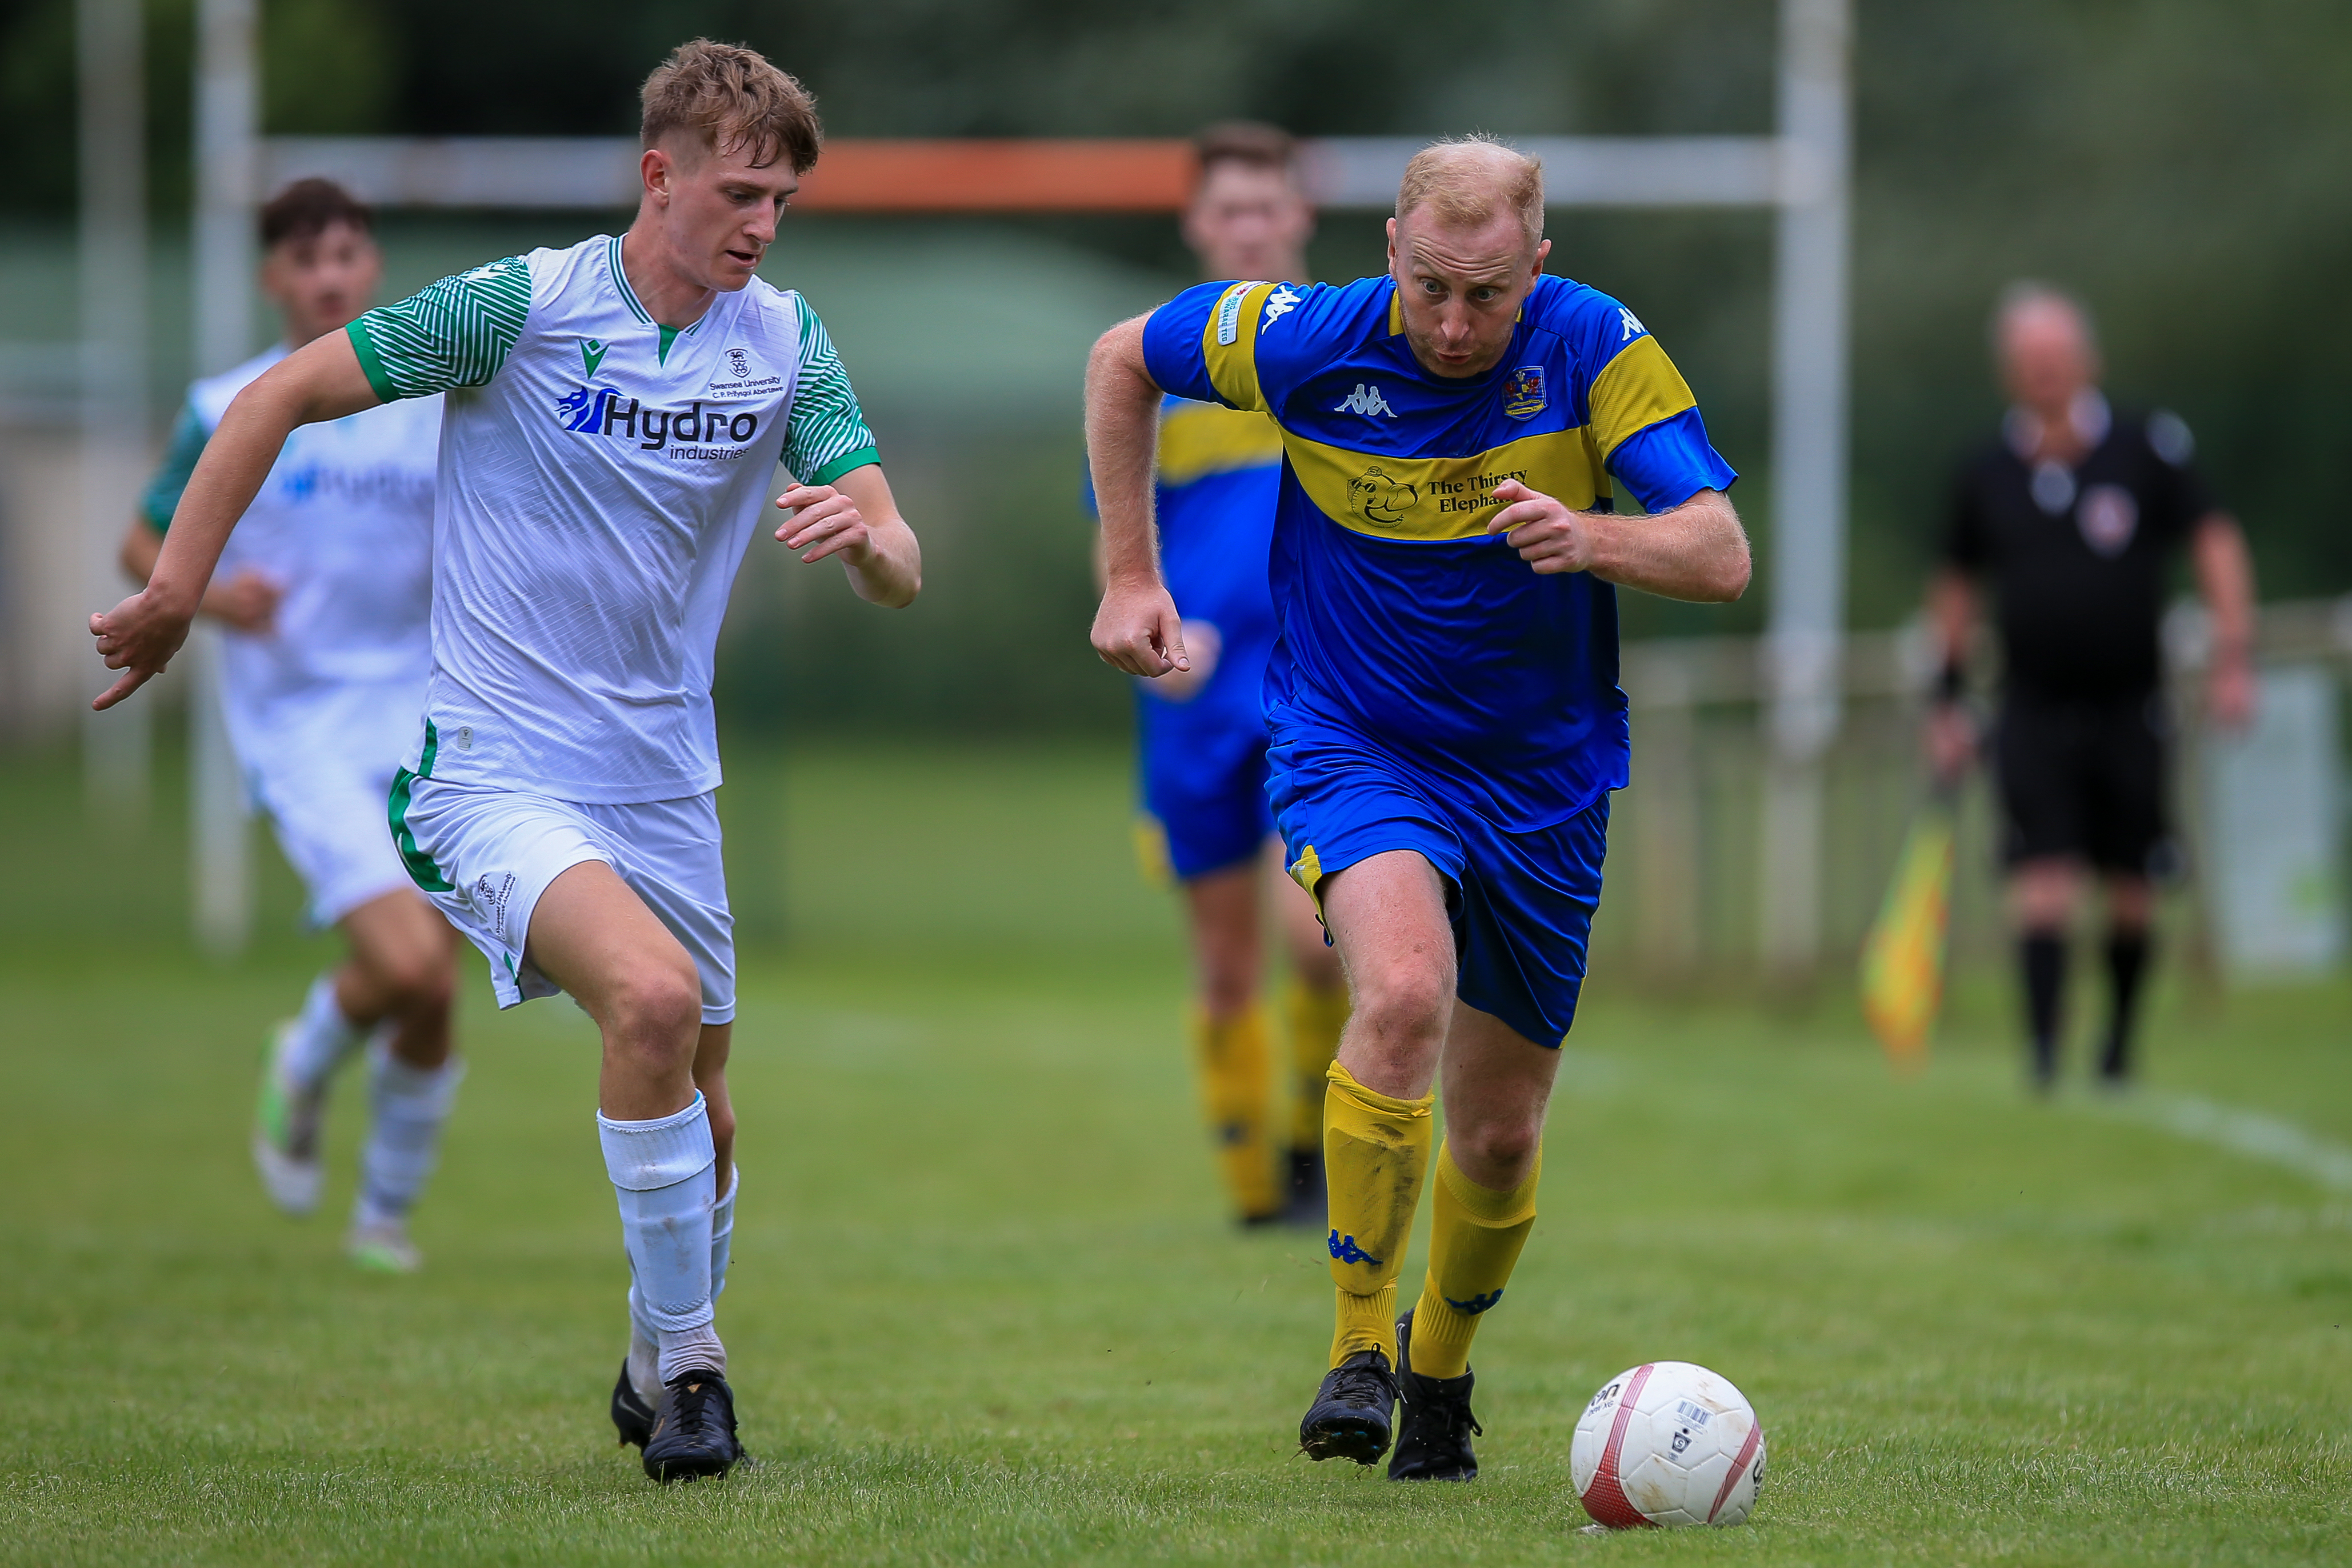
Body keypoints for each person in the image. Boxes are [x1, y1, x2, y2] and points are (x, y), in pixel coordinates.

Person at [91, 39, 921, 1483]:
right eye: (738, 192)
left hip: (666, 777)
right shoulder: (520, 309)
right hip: (496, 766)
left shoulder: (785, 337)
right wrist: (178, 594)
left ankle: (653, 1347)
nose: (762, 225)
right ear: (657, 176)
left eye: (783, 199)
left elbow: (901, 553)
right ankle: (698, 1375)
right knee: (649, 1003)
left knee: (710, 1119)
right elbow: (273, 397)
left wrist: (874, 549)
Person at [1086, 138, 1749, 1481]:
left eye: (1487, 296)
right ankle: (1358, 1349)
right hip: (1356, 741)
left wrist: (1596, 535)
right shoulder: (1308, 338)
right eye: (1433, 287)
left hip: (1543, 779)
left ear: (1537, 269)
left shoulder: (1599, 348)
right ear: (1390, 248)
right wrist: (1126, 573)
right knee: (1398, 996)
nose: (1453, 325)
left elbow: (1721, 552)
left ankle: (1441, 1372)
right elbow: (1120, 361)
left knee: (1499, 1133)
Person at [121, 178, 459, 1275]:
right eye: (308, 260)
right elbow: (142, 543)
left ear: (373, 269)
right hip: (301, 727)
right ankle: (306, 1059)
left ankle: (384, 1218)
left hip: (429, 714)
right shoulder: (230, 404)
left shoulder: (429, 398)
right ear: (273, 277)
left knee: (437, 981)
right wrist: (214, 601)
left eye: (350, 255)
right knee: (407, 966)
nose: (331, 276)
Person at [1088, 123, 1347, 1229]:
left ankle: (1309, 1149)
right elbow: (1114, 533)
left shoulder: (1347, 353)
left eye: (1268, 206)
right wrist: (1145, 608)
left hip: (1321, 684)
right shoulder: (1156, 370)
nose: (1250, 225)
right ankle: (1255, 1201)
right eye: (1228, 209)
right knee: (1228, 959)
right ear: (1199, 224)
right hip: (1195, 694)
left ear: (1302, 215)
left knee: (1326, 942)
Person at [1927, 283, 2255, 1091]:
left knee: (2133, 884)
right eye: (2029, 361)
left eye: (2058, 358)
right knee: (2043, 877)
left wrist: (2233, 656)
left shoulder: (2150, 448)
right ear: (2009, 372)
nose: (2045, 373)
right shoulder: (1985, 470)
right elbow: (1957, 585)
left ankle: (2117, 1047)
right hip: (2032, 706)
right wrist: (1947, 695)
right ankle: (2043, 1058)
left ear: (2088, 362)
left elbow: (2214, 541)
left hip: (2129, 704)